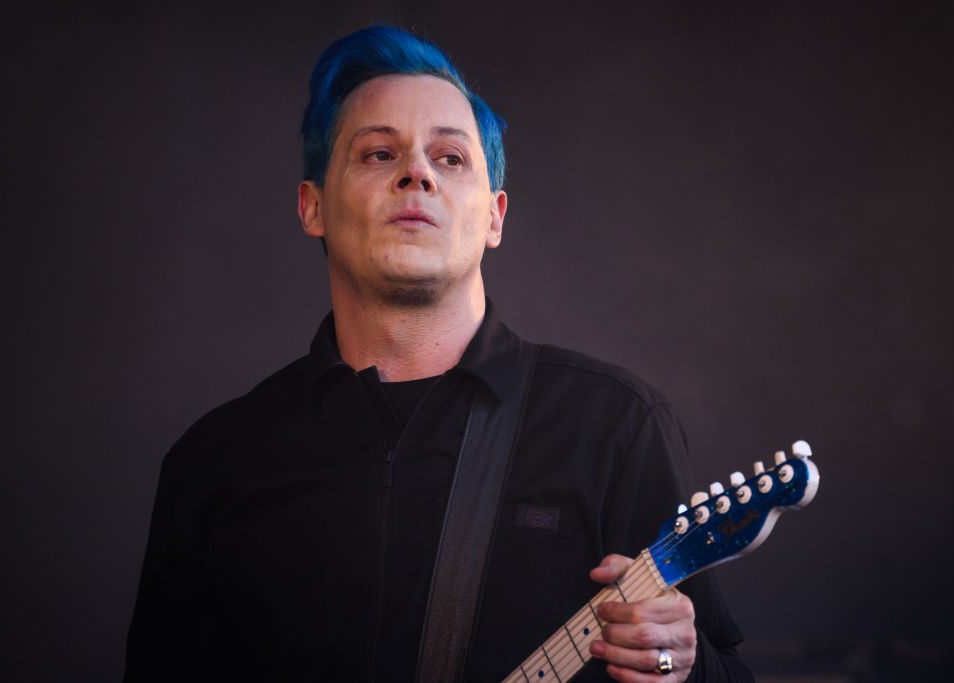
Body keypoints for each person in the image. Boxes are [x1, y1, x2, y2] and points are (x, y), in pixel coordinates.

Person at [124, 26, 753, 683]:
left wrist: (680, 664)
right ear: (312, 206)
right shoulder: (213, 463)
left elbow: (725, 670)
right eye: (376, 153)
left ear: (493, 217)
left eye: (450, 158)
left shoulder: (617, 427)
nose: (416, 171)